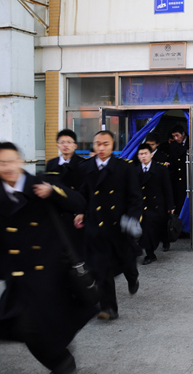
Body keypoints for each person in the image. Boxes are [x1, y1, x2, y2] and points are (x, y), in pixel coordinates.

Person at [0, 142, 96, 374]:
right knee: (17, 325)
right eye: (2, 163)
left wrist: (53, 192)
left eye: (12, 160)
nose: (8, 167)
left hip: (49, 271)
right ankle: (60, 358)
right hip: (18, 274)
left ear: (21, 161)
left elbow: (79, 202)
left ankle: (61, 362)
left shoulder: (40, 184)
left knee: (32, 325)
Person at [75, 131, 143, 321]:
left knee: (126, 258)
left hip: (119, 224)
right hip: (96, 225)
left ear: (113, 146)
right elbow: (83, 195)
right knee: (101, 267)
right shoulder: (86, 167)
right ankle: (108, 308)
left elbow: (135, 196)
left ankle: (132, 274)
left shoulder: (124, 168)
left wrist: (133, 218)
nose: (102, 148)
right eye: (98, 144)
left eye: (106, 144)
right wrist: (80, 211)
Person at [46, 129, 86, 259]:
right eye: (62, 142)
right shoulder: (51, 164)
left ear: (75, 145)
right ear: (57, 145)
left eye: (69, 142)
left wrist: (82, 212)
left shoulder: (83, 164)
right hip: (57, 214)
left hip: (75, 214)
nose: (65, 145)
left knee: (76, 249)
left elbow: (85, 191)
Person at [135, 143, 175, 265]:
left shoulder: (161, 169)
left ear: (151, 155)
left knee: (160, 228)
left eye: (145, 153)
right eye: (140, 154)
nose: (143, 156)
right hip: (143, 205)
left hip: (158, 204)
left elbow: (167, 188)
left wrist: (170, 206)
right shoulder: (135, 170)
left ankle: (165, 241)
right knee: (147, 230)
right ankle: (150, 254)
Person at [168, 124, 189, 223]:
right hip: (178, 180)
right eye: (174, 136)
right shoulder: (173, 146)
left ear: (183, 134)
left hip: (189, 177)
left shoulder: (192, 142)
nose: (176, 138)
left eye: (177, 135)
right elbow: (173, 162)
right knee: (179, 203)